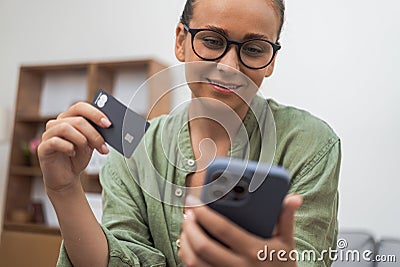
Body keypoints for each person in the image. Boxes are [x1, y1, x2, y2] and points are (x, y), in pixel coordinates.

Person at [38, 0, 341, 266]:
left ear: (271, 60)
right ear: (181, 41)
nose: (229, 66)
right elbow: (120, 258)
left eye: (254, 49)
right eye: (212, 41)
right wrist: (64, 191)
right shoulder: (136, 152)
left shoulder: (309, 145)